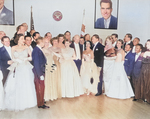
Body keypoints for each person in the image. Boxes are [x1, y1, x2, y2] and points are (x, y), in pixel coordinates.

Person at [4, 34, 37, 111]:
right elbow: (12, 58)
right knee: (18, 84)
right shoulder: (13, 47)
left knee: (27, 84)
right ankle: (19, 102)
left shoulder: (26, 47)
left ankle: (28, 102)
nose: (23, 40)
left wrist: (26, 58)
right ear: (18, 39)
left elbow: (32, 57)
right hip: (18, 67)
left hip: (25, 67)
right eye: (22, 38)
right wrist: (16, 60)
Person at [32, 37, 49, 109]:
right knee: (40, 88)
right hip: (39, 72)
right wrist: (40, 75)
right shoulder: (36, 50)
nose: (45, 44)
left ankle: (41, 101)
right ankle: (40, 104)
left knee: (41, 87)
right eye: (44, 42)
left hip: (41, 71)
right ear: (40, 42)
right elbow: (36, 63)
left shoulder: (38, 49)